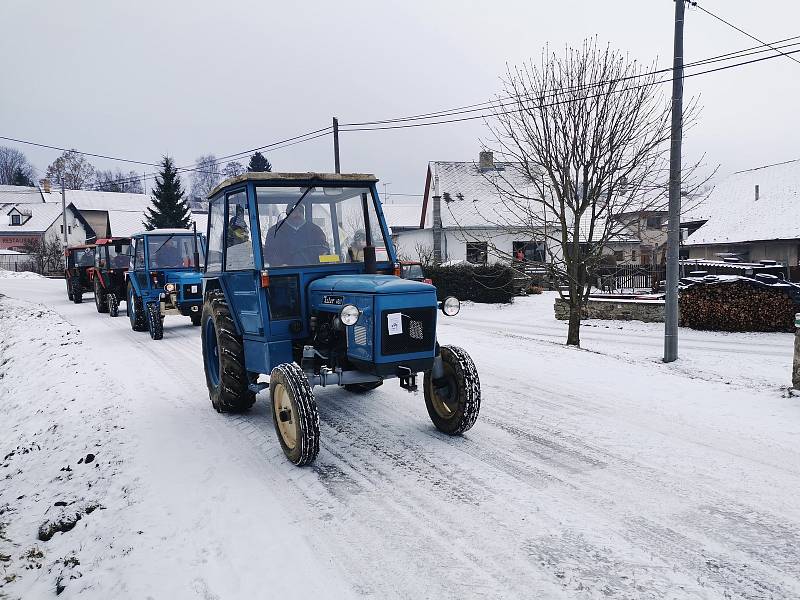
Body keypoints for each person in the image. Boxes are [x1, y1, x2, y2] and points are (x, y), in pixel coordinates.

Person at [263, 202, 329, 266]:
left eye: (300, 211)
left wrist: (326, 256)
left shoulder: (315, 230)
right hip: (285, 272)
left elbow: (323, 248)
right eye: (294, 211)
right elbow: (269, 253)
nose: (297, 214)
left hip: (312, 270)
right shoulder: (275, 231)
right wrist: (280, 264)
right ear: (287, 213)